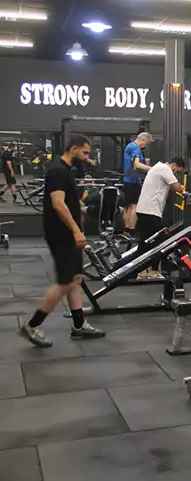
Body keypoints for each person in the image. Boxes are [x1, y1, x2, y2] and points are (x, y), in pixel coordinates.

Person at [18, 134, 105, 348]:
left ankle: (79, 325)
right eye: (85, 152)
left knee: (74, 278)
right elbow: (57, 203)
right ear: (74, 149)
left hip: (67, 232)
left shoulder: (65, 170)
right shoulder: (58, 170)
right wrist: (76, 230)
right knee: (65, 282)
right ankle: (33, 325)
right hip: (61, 234)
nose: (87, 157)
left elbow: (67, 201)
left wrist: (81, 209)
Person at [135, 156, 186, 279]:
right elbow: (177, 187)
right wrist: (183, 188)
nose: (175, 173)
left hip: (145, 210)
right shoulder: (165, 169)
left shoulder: (157, 167)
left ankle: (142, 271)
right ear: (173, 165)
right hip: (151, 211)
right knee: (160, 242)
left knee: (146, 242)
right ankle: (151, 271)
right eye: (176, 171)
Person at [122, 133, 153, 232]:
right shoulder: (135, 148)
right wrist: (152, 169)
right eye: (146, 144)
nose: (145, 146)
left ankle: (127, 229)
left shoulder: (130, 146)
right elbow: (137, 164)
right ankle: (132, 230)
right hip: (133, 180)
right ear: (143, 140)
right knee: (135, 206)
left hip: (128, 180)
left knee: (129, 206)